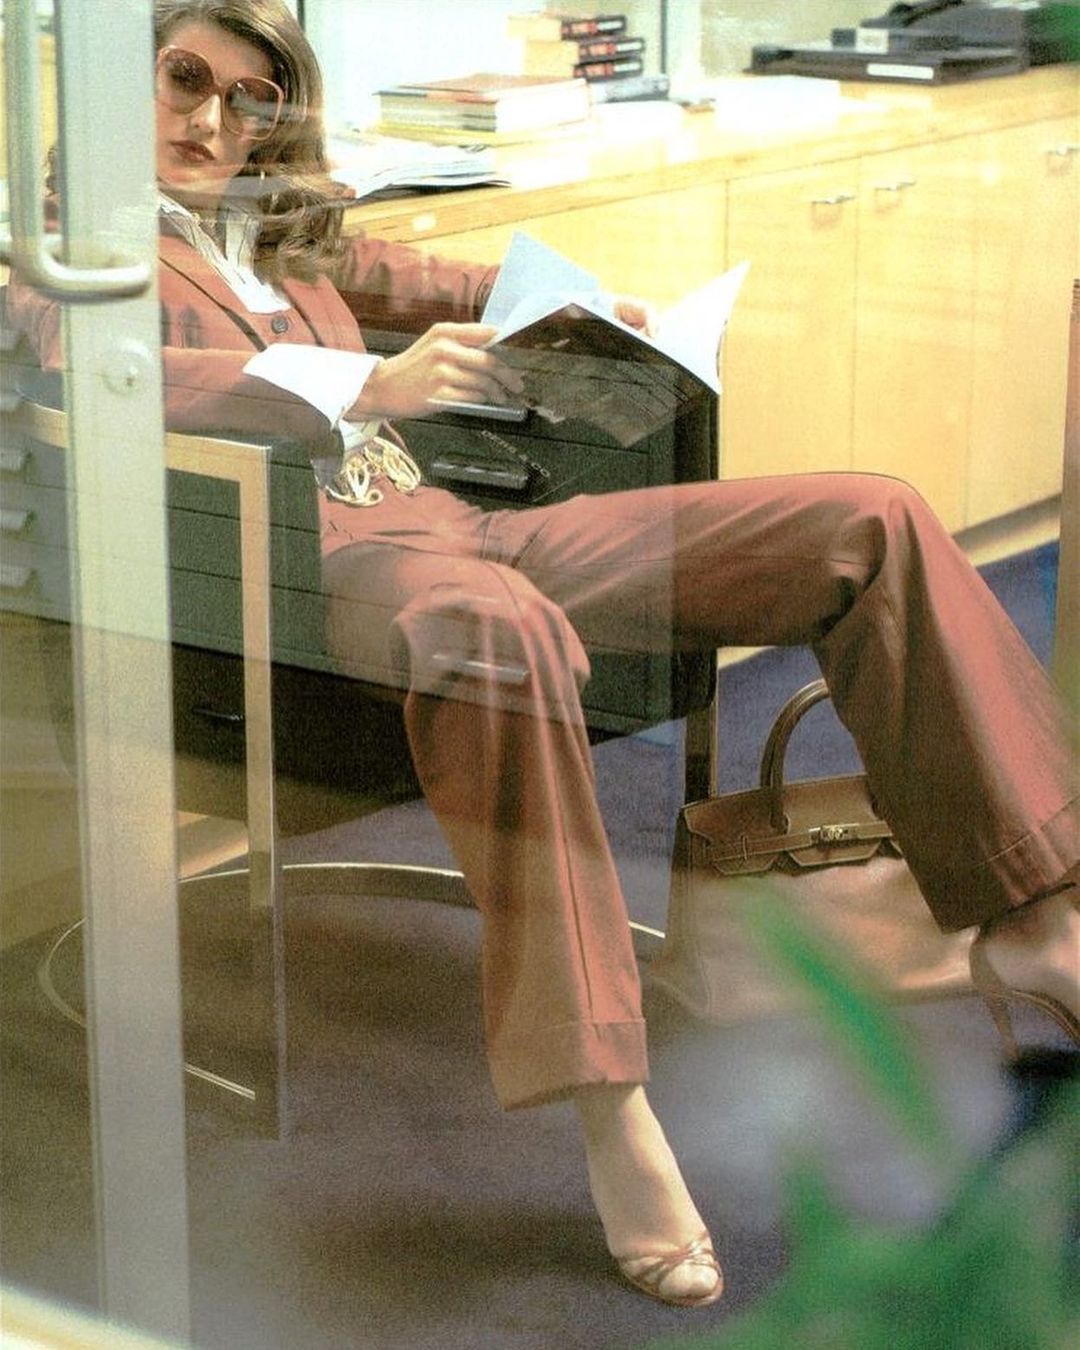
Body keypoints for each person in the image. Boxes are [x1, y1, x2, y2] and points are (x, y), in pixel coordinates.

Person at [9, 0, 1077, 1310]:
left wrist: (584, 311)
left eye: (250, 99)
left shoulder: (278, 236)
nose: (213, 120)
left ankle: (1036, 914)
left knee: (874, 516)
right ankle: (610, 1104)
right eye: (185, 79)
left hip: (450, 526)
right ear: (118, 82)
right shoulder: (63, 251)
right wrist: (364, 387)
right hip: (308, 574)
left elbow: (433, 282)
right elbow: (94, 371)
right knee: (502, 630)